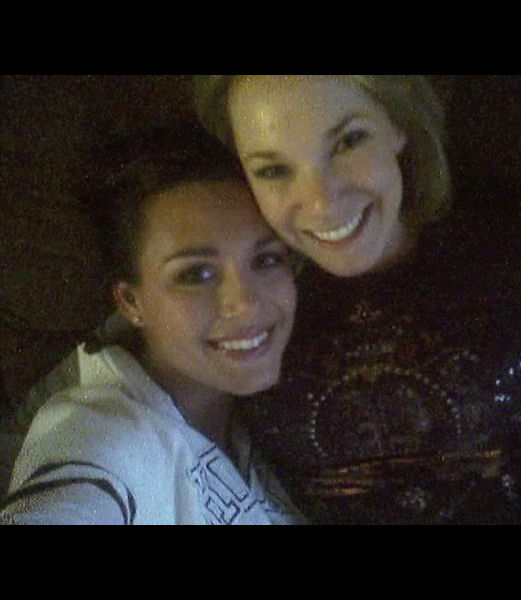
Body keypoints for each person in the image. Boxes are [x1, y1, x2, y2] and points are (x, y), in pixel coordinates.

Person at [193, 74, 521, 524]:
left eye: (348, 142)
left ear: (398, 122)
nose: (322, 203)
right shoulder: (243, 302)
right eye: (274, 170)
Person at [0, 122, 305, 525]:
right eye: (196, 274)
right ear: (131, 301)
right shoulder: (103, 431)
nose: (246, 303)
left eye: (266, 259)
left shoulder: (263, 431)